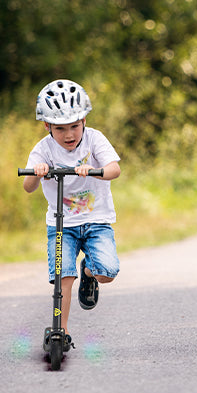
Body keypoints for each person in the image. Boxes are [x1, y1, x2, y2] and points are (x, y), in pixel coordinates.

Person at [23, 79, 121, 349]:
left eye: (75, 126)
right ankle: (60, 332)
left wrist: (93, 170)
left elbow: (114, 169)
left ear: (84, 120)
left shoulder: (94, 139)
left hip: (96, 222)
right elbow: (28, 187)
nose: (69, 135)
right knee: (62, 277)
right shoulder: (43, 149)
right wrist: (38, 171)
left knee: (108, 272)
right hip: (60, 225)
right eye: (60, 128)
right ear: (47, 126)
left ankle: (89, 273)